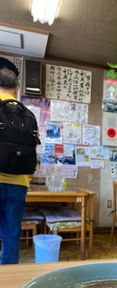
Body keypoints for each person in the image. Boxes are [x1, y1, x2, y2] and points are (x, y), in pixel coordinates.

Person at [0, 57, 38, 264]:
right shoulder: (28, 114)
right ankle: (6, 282)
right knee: (11, 236)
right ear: (16, 88)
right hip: (18, 184)